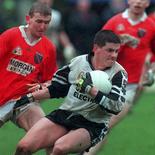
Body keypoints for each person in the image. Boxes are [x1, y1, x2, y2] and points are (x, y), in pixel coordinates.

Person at [13, 30, 128, 155]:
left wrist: (91, 90)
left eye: (116, 51)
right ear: (96, 48)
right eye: (110, 50)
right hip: (65, 115)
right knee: (23, 147)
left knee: (59, 148)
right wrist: (30, 97)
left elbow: (116, 106)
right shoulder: (78, 62)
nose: (114, 55)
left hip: (92, 125)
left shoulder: (118, 73)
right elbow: (56, 88)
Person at [84, 0, 155, 154]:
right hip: (104, 81)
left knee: (104, 125)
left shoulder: (153, 27)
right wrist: (121, 40)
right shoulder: (114, 22)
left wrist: (151, 72)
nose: (138, 2)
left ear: (147, 3)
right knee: (99, 127)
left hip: (129, 87)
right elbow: (96, 49)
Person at [0, 2, 57, 131]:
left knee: (44, 134)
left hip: (24, 102)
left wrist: (44, 86)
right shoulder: (11, 35)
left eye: (47, 22)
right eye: (39, 21)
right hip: (2, 96)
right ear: (28, 19)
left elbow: (49, 79)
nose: (43, 26)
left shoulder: (49, 48)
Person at [38, 0, 76, 65]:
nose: (45, 1)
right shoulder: (32, 15)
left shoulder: (56, 15)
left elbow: (60, 32)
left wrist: (68, 46)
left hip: (53, 49)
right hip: (37, 48)